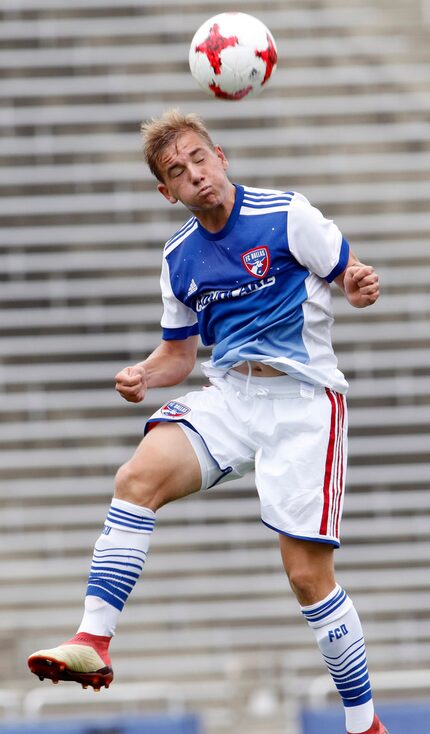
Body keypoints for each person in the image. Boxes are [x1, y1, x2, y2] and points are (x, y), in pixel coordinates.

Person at [28, 109, 387, 734]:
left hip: (304, 406)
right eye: (177, 171)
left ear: (221, 157)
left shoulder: (287, 215)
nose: (194, 174)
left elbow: (348, 278)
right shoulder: (178, 259)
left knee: (307, 579)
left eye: (199, 158)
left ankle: (364, 724)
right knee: (136, 478)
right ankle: (94, 640)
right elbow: (178, 355)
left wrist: (357, 286)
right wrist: (144, 372)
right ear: (166, 193)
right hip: (230, 397)